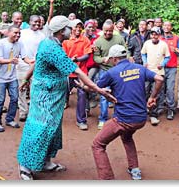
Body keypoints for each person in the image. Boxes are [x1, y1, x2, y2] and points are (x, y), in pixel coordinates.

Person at [16, 15, 116, 180]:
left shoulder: (53, 43)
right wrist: (98, 89)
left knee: (53, 129)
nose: (73, 30)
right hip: (45, 97)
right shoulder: (52, 48)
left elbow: (35, 63)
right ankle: (25, 165)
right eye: (70, 27)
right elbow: (76, 70)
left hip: (54, 97)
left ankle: (46, 161)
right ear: (62, 30)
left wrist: (26, 78)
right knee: (40, 128)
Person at [91, 44, 163, 180]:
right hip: (141, 118)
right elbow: (159, 79)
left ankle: (106, 179)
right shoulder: (139, 68)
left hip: (123, 120)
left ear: (114, 58)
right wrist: (153, 97)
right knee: (127, 137)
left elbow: (94, 87)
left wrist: (83, 85)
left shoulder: (111, 73)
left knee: (98, 145)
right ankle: (134, 169)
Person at [0, 25, 31, 132]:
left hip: (12, 77)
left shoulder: (20, 44)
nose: (18, 35)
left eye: (19, 33)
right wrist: (10, 61)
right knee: (0, 100)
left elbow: (24, 57)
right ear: (8, 33)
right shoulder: (1, 43)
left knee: (14, 98)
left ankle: (9, 119)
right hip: (0, 78)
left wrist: (32, 62)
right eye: (15, 33)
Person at [93, 20, 126, 130]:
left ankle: (119, 117)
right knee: (104, 96)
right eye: (106, 31)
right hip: (105, 71)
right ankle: (103, 118)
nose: (108, 33)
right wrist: (103, 59)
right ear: (102, 30)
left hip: (118, 70)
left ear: (113, 30)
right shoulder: (98, 41)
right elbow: (96, 58)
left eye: (110, 31)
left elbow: (125, 52)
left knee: (119, 94)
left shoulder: (119, 39)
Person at [62, 19, 92, 130]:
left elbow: (87, 55)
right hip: (67, 73)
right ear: (71, 28)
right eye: (76, 27)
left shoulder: (85, 40)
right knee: (61, 94)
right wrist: (70, 60)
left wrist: (77, 59)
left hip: (81, 73)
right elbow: (63, 55)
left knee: (82, 95)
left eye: (80, 27)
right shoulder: (66, 40)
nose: (78, 29)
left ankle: (81, 120)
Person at [17, 15, 46, 121]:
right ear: (29, 22)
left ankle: (35, 111)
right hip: (22, 63)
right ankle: (23, 111)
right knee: (22, 88)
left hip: (36, 65)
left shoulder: (42, 36)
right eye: (35, 22)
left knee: (36, 89)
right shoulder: (22, 33)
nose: (37, 24)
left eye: (39, 22)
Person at [141, 26, 170, 126]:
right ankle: (143, 113)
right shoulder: (147, 43)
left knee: (155, 93)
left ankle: (153, 115)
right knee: (144, 91)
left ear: (159, 35)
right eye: (152, 34)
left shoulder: (163, 45)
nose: (154, 36)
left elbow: (167, 57)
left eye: (156, 34)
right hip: (147, 71)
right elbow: (143, 54)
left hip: (158, 73)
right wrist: (144, 62)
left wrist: (162, 64)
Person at [159, 21, 179, 120]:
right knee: (160, 88)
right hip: (161, 67)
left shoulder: (176, 38)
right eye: (164, 25)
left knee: (170, 89)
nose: (166, 27)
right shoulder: (159, 38)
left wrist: (176, 51)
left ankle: (170, 109)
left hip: (172, 67)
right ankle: (160, 107)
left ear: (171, 27)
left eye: (168, 25)